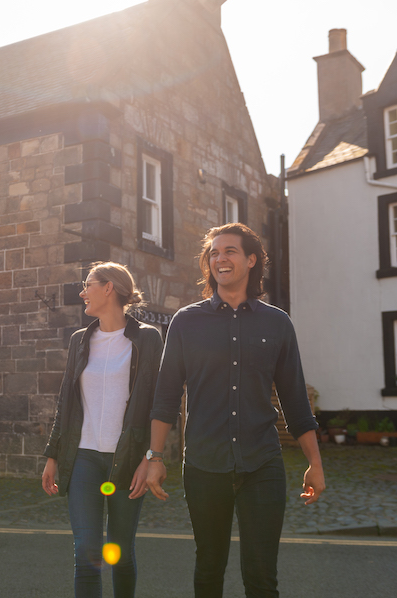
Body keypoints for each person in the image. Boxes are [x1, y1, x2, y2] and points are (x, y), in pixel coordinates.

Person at [146, 223, 325, 598]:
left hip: (262, 463)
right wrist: (154, 455)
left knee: (261, 578)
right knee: (209, 569)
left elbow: (294, 400)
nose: (219, 258)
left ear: (251, 260)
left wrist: (315, 462)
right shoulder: (185, 321)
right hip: (203, 464)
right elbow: (164, 395)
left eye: (228, 251)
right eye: (213, 252)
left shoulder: (277, 323)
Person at [42, 262, 164, 598]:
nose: (82, 292)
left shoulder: (148, 338)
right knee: (86, 555)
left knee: (120, 554)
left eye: (88, 284)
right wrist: (53, 454)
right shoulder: (80, 340)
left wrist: (151, 457)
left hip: (126, 460)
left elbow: (159, 404)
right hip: (82, 458)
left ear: (109, 287)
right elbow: (66, 401)